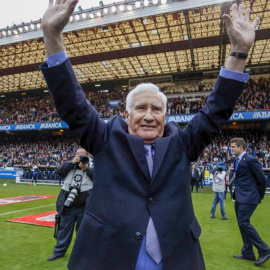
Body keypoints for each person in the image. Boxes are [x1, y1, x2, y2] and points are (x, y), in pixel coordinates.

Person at [40, 1, 259, 269]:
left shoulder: (183, 142)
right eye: (140, 108)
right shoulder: (105, 138)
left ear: (165, 117)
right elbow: (71, 104)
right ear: (127, 114)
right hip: (109, 256)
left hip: (175, 257)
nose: (148, 114)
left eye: (156, 109)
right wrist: (52, 35)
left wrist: (239, 52)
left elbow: (217, 110)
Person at [47, 148, 93, 261]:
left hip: (84, 207)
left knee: (83, 232)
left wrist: (86, 168)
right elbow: (59, 171)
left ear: (87, 155)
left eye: (82, 155)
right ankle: (58, 252)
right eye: (78, 155)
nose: (81, 157)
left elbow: (99, 178)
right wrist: (72, 162)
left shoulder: (92, 164)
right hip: (68, 206)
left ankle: (81, 254)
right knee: (63, 231)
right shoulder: (69, 164)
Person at [230, 138, 270, 266]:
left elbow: (262, 179)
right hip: (240, 197)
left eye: (234, 147)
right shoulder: (237, 160)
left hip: (249, 197)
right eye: (231, 146)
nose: (231, 149)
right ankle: (248, 251)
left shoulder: (250, 159)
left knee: (243, 223)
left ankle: (264, 250)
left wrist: (260, 195)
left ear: (241, 147)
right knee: (242, 224)